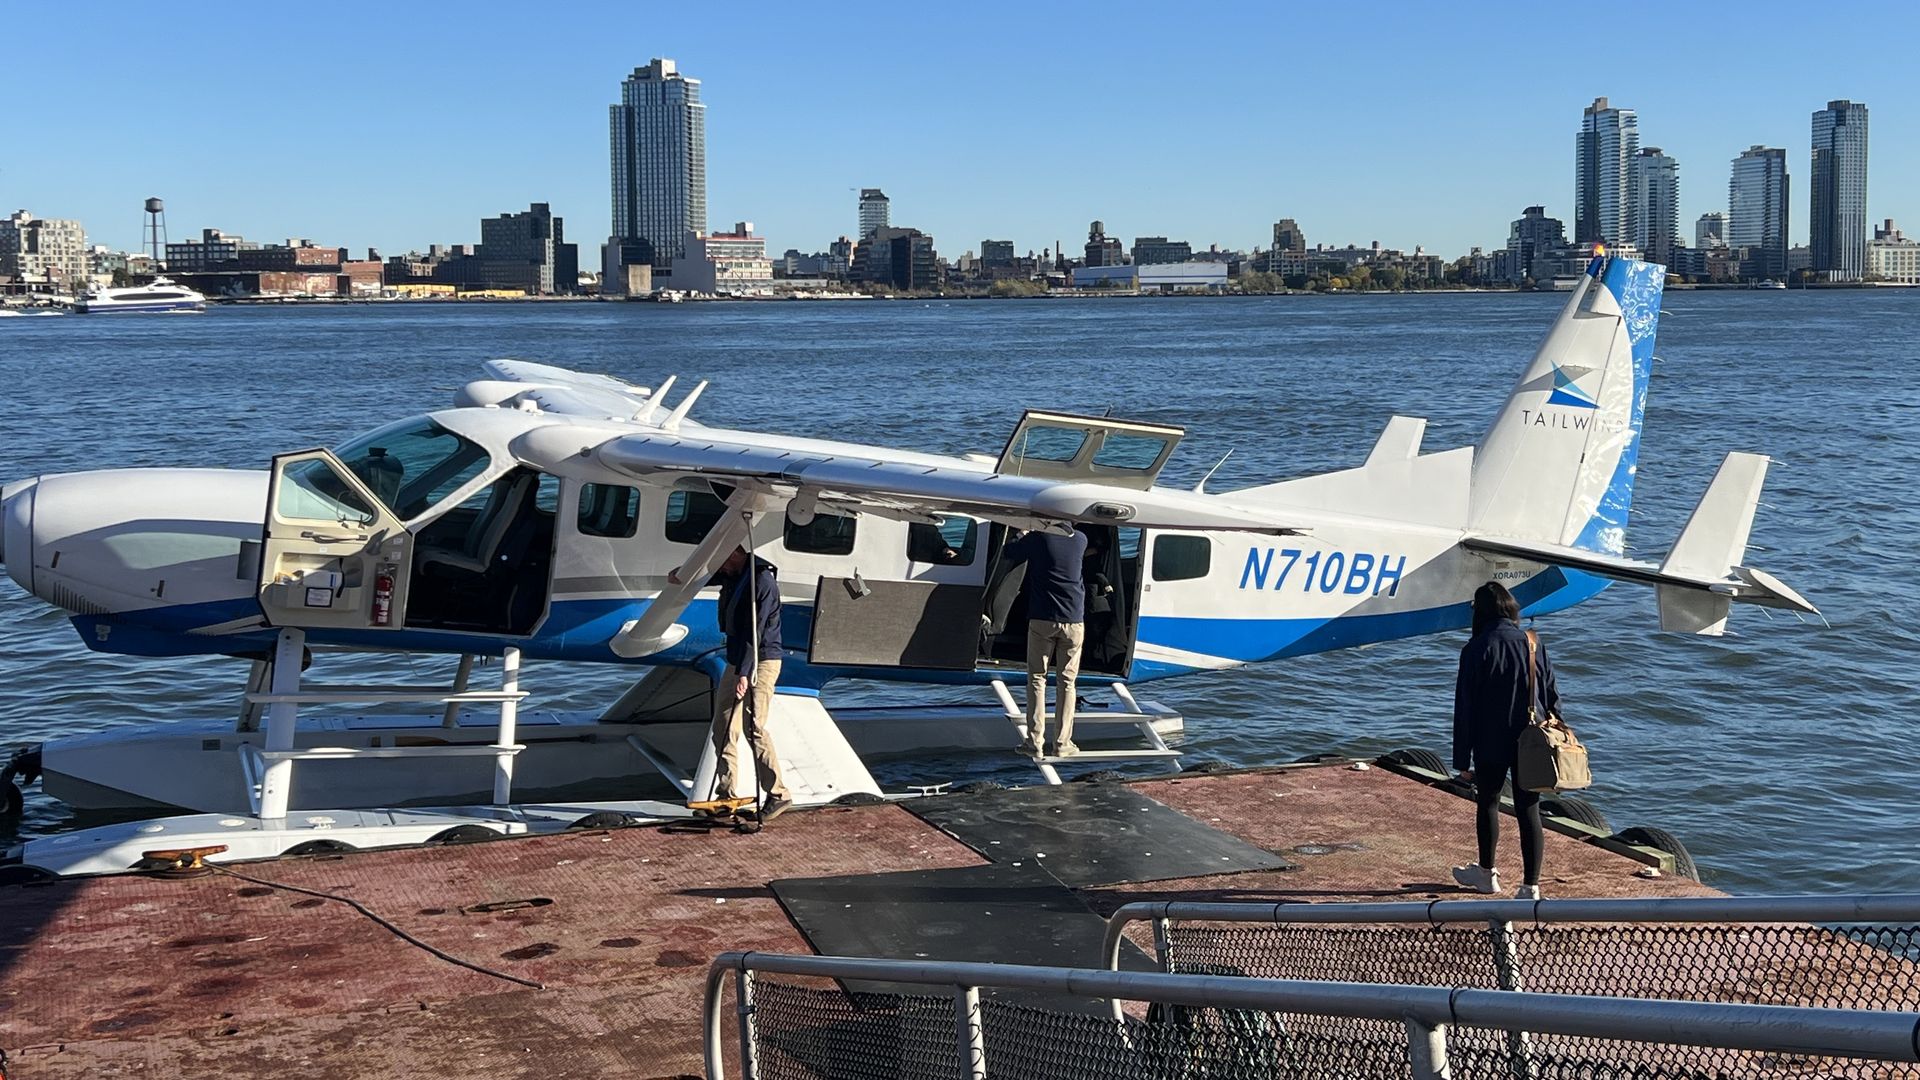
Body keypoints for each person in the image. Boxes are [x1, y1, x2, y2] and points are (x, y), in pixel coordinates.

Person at [1451, 581, 1562, 900]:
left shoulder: (1475, 648)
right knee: (1529, 809)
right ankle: (1531, 886)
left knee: (1488, 802)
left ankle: (1487, 875)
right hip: (1532, 739)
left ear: (1480, 611)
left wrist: (1462, 760)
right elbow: (1552, 694)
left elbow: (1465, 707)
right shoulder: (1532, 643)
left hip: (1490, 740)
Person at [706, 545, 791, 821]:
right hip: (737, 659)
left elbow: (755, 629)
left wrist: (745, 672)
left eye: (722, 563)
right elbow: (712, 576)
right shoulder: (735, 572)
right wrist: (680, 577)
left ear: (733, 555)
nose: (721, 570)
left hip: (761, 659)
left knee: (753, 727)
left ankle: (778, 794)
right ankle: (727, 794)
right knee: (723, 725)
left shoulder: (761, 580)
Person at [1005, 526, 1088, 757]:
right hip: (1074, 619)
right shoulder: (1080, 539)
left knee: (1037, 679)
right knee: (1067, 682)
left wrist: (1022, 533)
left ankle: (1034, 742)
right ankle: (1063, 744)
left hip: (1043, 619)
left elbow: (1009, 552)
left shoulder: (1037, 538)